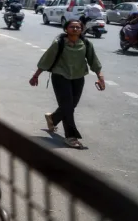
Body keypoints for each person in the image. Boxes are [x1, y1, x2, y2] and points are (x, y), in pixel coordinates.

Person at [29, 19, 105, 149]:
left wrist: (100, 77)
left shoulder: (85, 43)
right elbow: (46, 60)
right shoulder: (58, 43)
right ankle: (71, 137)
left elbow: (94, 60)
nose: (75, 29)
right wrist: (36, 75)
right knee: (68, 107)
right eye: (72, 27)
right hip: (60, 76)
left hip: (78, 77)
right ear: (66, 29)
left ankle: (53, 118)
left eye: (78, 27)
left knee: (71, 105)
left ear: (82, 29)